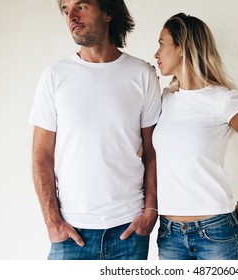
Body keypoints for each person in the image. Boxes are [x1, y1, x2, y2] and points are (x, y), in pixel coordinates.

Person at [29, 0, 161, 260]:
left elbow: (153, 151)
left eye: (81, 6)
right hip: (71, 233)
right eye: (66, 10)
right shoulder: (54, 77)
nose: (71, 17)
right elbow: (41, 155)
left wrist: (151, 212)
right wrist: (51, 221)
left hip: (129, 230)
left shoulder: (142, 74)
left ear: (108, 12)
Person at [153, 13, 238, 260]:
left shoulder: (223, 100)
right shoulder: (165, 99)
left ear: (182, 47)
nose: (156, 53)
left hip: (215, 232)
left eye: (161, 43)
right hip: (169, 233)